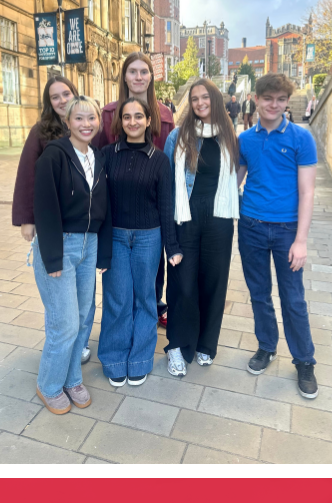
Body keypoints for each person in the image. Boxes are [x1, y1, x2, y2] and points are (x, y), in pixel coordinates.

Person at [236, 73, 320, 399]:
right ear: (256, 99)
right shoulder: (245, 140)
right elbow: (235, 180)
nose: (274, 105)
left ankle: (304, 360)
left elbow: (308, 192)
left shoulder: (301, 138)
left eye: (281, 99)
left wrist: (301, 240)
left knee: (293, 299)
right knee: (259, 294)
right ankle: (266, 346)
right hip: (252, 227)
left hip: (287, 231)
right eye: (268, 98)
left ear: (287, 102)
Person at [31, 96, 112, 414]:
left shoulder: (99, 157)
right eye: (79, 118)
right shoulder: (54, 156)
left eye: (91, 117)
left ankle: (72, 378)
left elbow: (104, 207)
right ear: (67, 122)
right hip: (60, 245)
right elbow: (45, 208)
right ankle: (49, 383)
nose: (86, 124)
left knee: (82, 318)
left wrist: (102, 252)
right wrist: (51, 257)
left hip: (88, 245)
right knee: (63, 321)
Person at [10, 76, 94, 365]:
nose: (60, 100)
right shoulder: (41, 132)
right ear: (49, 102)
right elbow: (27, 176)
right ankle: (58, 345)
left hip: (80, 227)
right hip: (53, 226)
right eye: (54, 97)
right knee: (59, 300)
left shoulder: (85, 126)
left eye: (65, 93)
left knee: (81, 300)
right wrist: (26, 219)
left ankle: (76, 345)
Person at [99, 97, 182, 386]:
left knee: (145, 299)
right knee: (117, 298)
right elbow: (100, 201)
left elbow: (166, 205)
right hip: (117, 237)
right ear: (119, 122)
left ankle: (140, 359)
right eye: (126, 117)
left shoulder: (159, 160)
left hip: (149, 237)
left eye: (138, 116)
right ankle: (113, 358)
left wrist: (172, 247)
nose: (132, 122)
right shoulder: (107, 154)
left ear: (149, 121)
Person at [162, 78, 240, 376]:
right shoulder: (179, 137)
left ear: (215, 100)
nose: (199, 103)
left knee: (214, 282)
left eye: (205, 97)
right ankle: (177, 347)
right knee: (182, 284)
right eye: (194, 99)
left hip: (219, 220)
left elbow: (236, 174)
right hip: (187, 219)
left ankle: (206, 345)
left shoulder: (229, 135)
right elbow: (169, 185)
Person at [94, 53, 177, 327]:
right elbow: (96, 159)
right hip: (117, 207)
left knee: (153, 268)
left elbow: (171, 159)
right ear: (125, 77)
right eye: (133, 71)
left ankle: (150, 310)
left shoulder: (165, 116)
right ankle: (122, 318)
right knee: (118, 273)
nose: (139, 77)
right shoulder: (108, 114)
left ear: (151, 77)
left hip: (150, 207)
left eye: (144, 71)